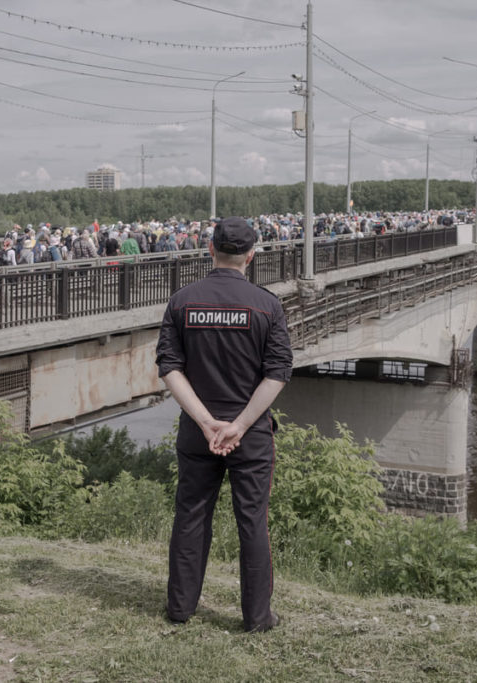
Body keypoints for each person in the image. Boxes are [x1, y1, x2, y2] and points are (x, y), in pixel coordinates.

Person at [155, 216, 293, 633]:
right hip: (249, 437)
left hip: (198, 433)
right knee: (252, 520)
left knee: (191, 514)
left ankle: (180, 608)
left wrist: (206, 421)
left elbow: (168, 367)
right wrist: (239, 425)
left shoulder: (182, 301)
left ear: (210, 250)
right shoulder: (268, 306)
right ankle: (257, 618)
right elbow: (278, 373)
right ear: (251, 256)